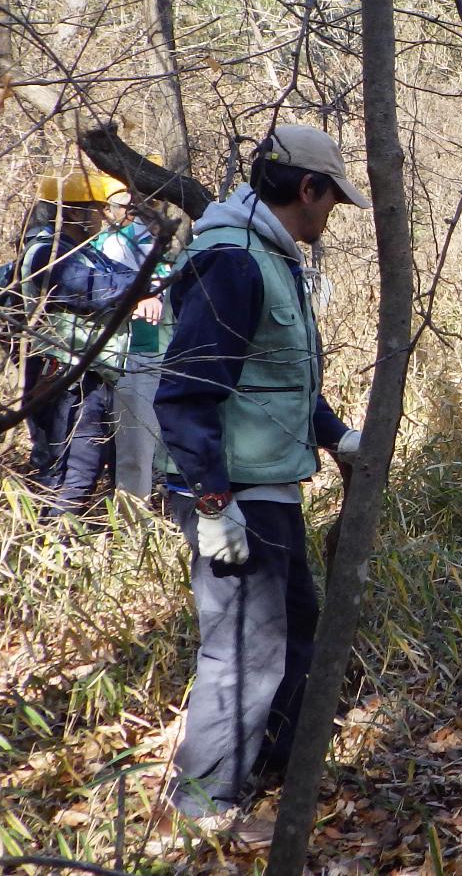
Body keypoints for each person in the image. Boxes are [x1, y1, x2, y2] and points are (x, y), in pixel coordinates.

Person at [154, 125, 365, 833]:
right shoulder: (235, 261)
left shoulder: (269, 258)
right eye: (330, 200)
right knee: (244, 647)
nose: (329, 215)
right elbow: (186, 392)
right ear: (306, 188)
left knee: (292, 629)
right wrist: (213, 502)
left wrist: (338, 438)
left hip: (265, 487)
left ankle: (271, 769)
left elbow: (279, 376)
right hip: (233, 493)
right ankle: (204, 806)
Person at [23, 172, 140, 517]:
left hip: (87, 375)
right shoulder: (47, 253)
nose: (101, 217)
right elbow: (101, 289)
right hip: (66, 379)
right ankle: (53, 550)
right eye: (94, 210)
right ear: (71, 212)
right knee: (71, 472)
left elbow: (126, 276)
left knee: (83, 468)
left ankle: (59, 547)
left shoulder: (79, 250)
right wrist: (142, 282)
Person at [94, 189, 172, 501]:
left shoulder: (155, 243)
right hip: (134, 357)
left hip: (162, 355)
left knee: (158, 448)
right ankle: (132, 531)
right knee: (135, 452)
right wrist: (143, 295)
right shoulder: (117, 243)